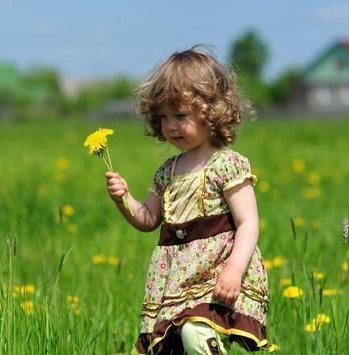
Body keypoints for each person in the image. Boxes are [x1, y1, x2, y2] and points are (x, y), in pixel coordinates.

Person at [105, 46, 270, 354]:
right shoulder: (167, 172)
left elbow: (248, 222)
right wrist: (123, 198)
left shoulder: (226, 164)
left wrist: (234, 269)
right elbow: (148, 220)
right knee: (175, 347)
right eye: (163, 117)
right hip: (176, 282)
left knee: (197, 334)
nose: (170, 126)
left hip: (218, 273)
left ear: (211, 110)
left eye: (180, 116)